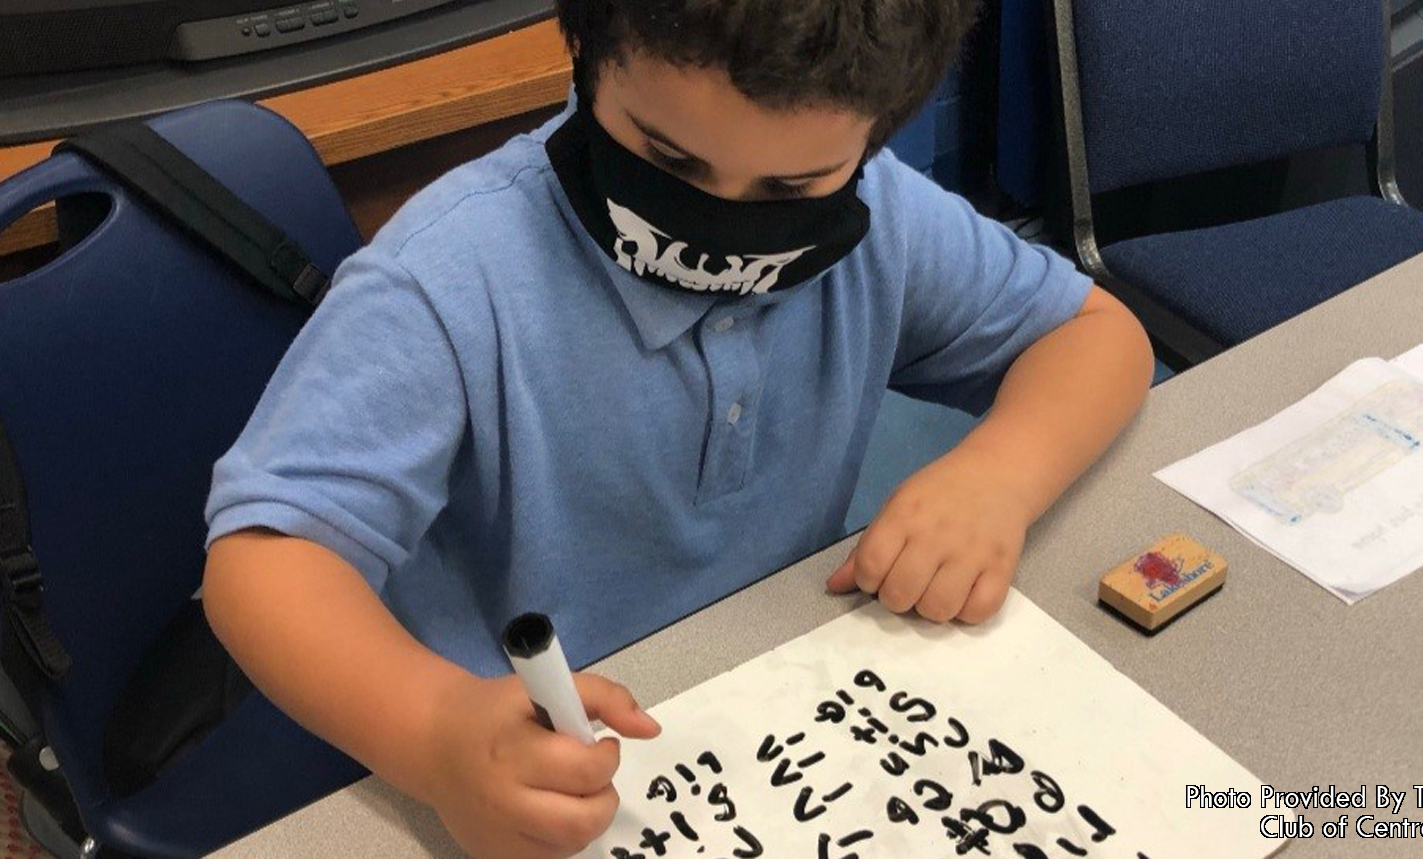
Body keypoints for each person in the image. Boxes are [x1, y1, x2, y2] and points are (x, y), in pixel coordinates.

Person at [201, 1, 1152, 857]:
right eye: (666, 160)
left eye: (791, 189)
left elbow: (1097, 334)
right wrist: (437, 733)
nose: (719, 221)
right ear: (585, 54)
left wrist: (999, 474)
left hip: (783, 711)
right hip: (524, 766)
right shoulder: (445, 280)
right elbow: (262, 560)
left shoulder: (885, 214)